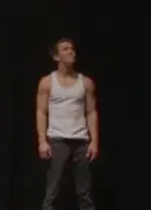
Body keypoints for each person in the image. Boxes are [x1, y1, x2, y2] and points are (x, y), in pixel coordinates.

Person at [36, 38, 98, 210]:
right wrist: (42, 141)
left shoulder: (86, 82)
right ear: (56, 57)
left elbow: (91, 112)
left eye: (72, 49)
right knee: (53, 191)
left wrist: (94, 141)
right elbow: (41, 111)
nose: (71, 52)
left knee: (84, 192)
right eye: (65, 49)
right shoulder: (47, 82)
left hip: (81, 140)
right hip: (57, 139)